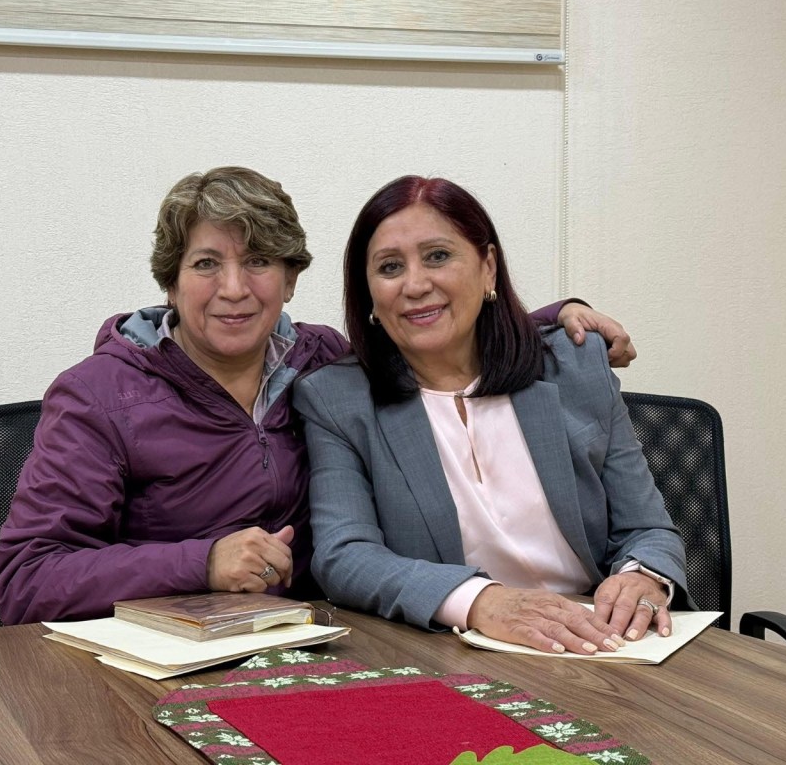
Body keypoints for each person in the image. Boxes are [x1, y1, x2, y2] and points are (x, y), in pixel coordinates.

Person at [0, 166, 634, 625]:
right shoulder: (98, 396)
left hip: (316, 649)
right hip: (152, 664)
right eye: (207, 263)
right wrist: (200, 562)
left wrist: (555, 322)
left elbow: (431, 333)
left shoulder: (321, 363)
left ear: (292, 280)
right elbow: (25, 581)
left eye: (260, 262)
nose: (235, 289)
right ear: (170, 281)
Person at [293, 175, 689, 655]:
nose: (416, 284)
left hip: (601, 646)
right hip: (451, 652)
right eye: (390, 267)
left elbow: (646, 528)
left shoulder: (575, 366)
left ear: (487, 269)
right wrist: (479, 600)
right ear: (369, 294)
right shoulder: (337, 398)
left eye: (438, 256)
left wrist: (643, 576)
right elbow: (345, 557)